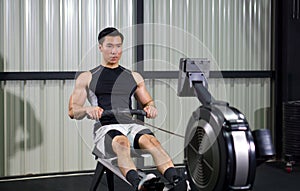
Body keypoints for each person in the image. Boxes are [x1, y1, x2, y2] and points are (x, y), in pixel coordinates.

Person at [68, 27, 188, 191]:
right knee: (121, 143)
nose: (114, 51)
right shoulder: (87, 77)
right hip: (106, 127)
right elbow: (73, 110)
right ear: (100, 47)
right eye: (109, 46)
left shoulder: (133, 76)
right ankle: (138, 182)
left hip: (130, 125)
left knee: (152, 141)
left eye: (118, 46)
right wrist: (87, 109)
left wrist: (151, 107)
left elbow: (148, 101)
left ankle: (176, 181)